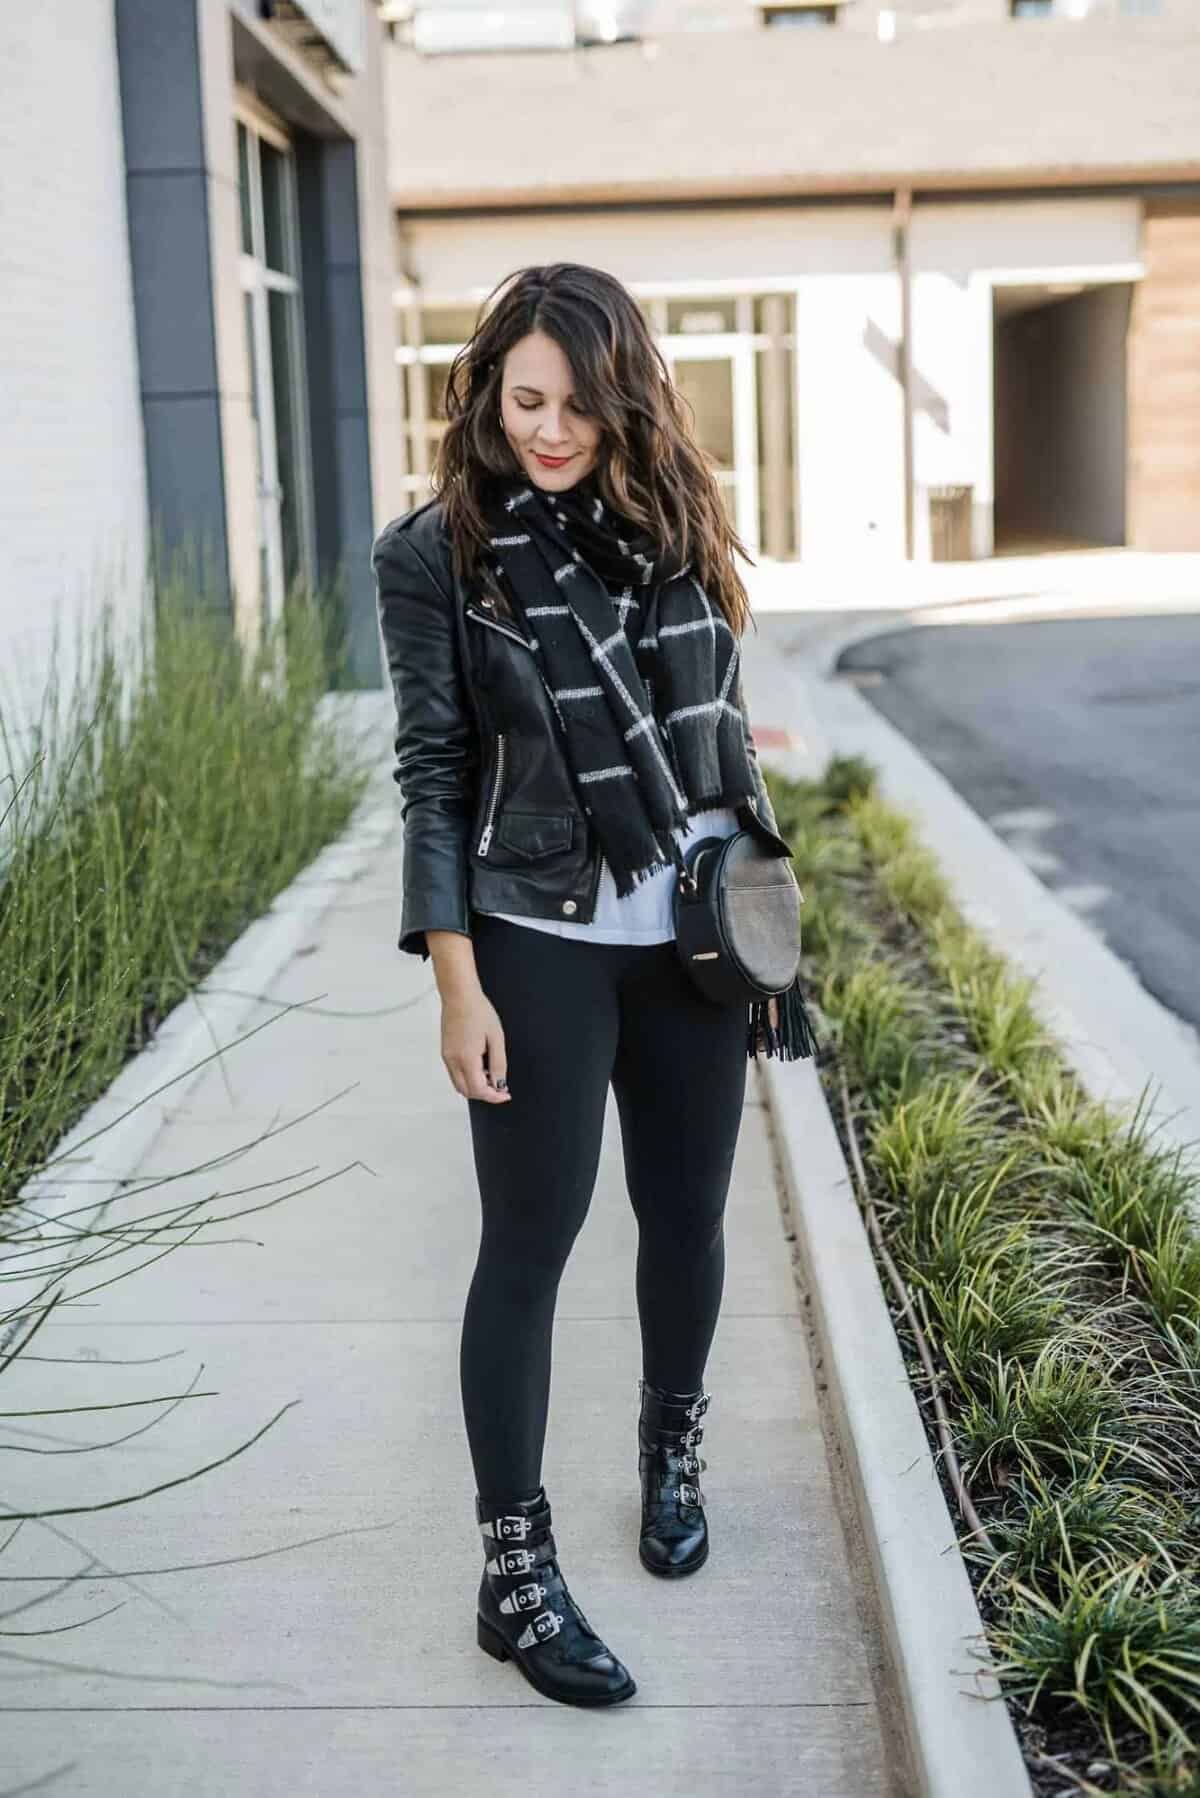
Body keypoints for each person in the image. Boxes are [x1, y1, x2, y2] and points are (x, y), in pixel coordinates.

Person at [372, 262, 810, 1711]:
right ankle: (513, 1572)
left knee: (685, 1220)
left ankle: (670, 1450)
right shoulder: (438, 553)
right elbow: (436, 773)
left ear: (627, 400)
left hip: (692, 940)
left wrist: (754, 848)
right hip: (536, 935)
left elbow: (706, 723)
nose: (552, 431)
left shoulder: (678, 522)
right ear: (488, 396)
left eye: (579, 404)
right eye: (526, 401)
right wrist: (455, 979)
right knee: (529, 1244)